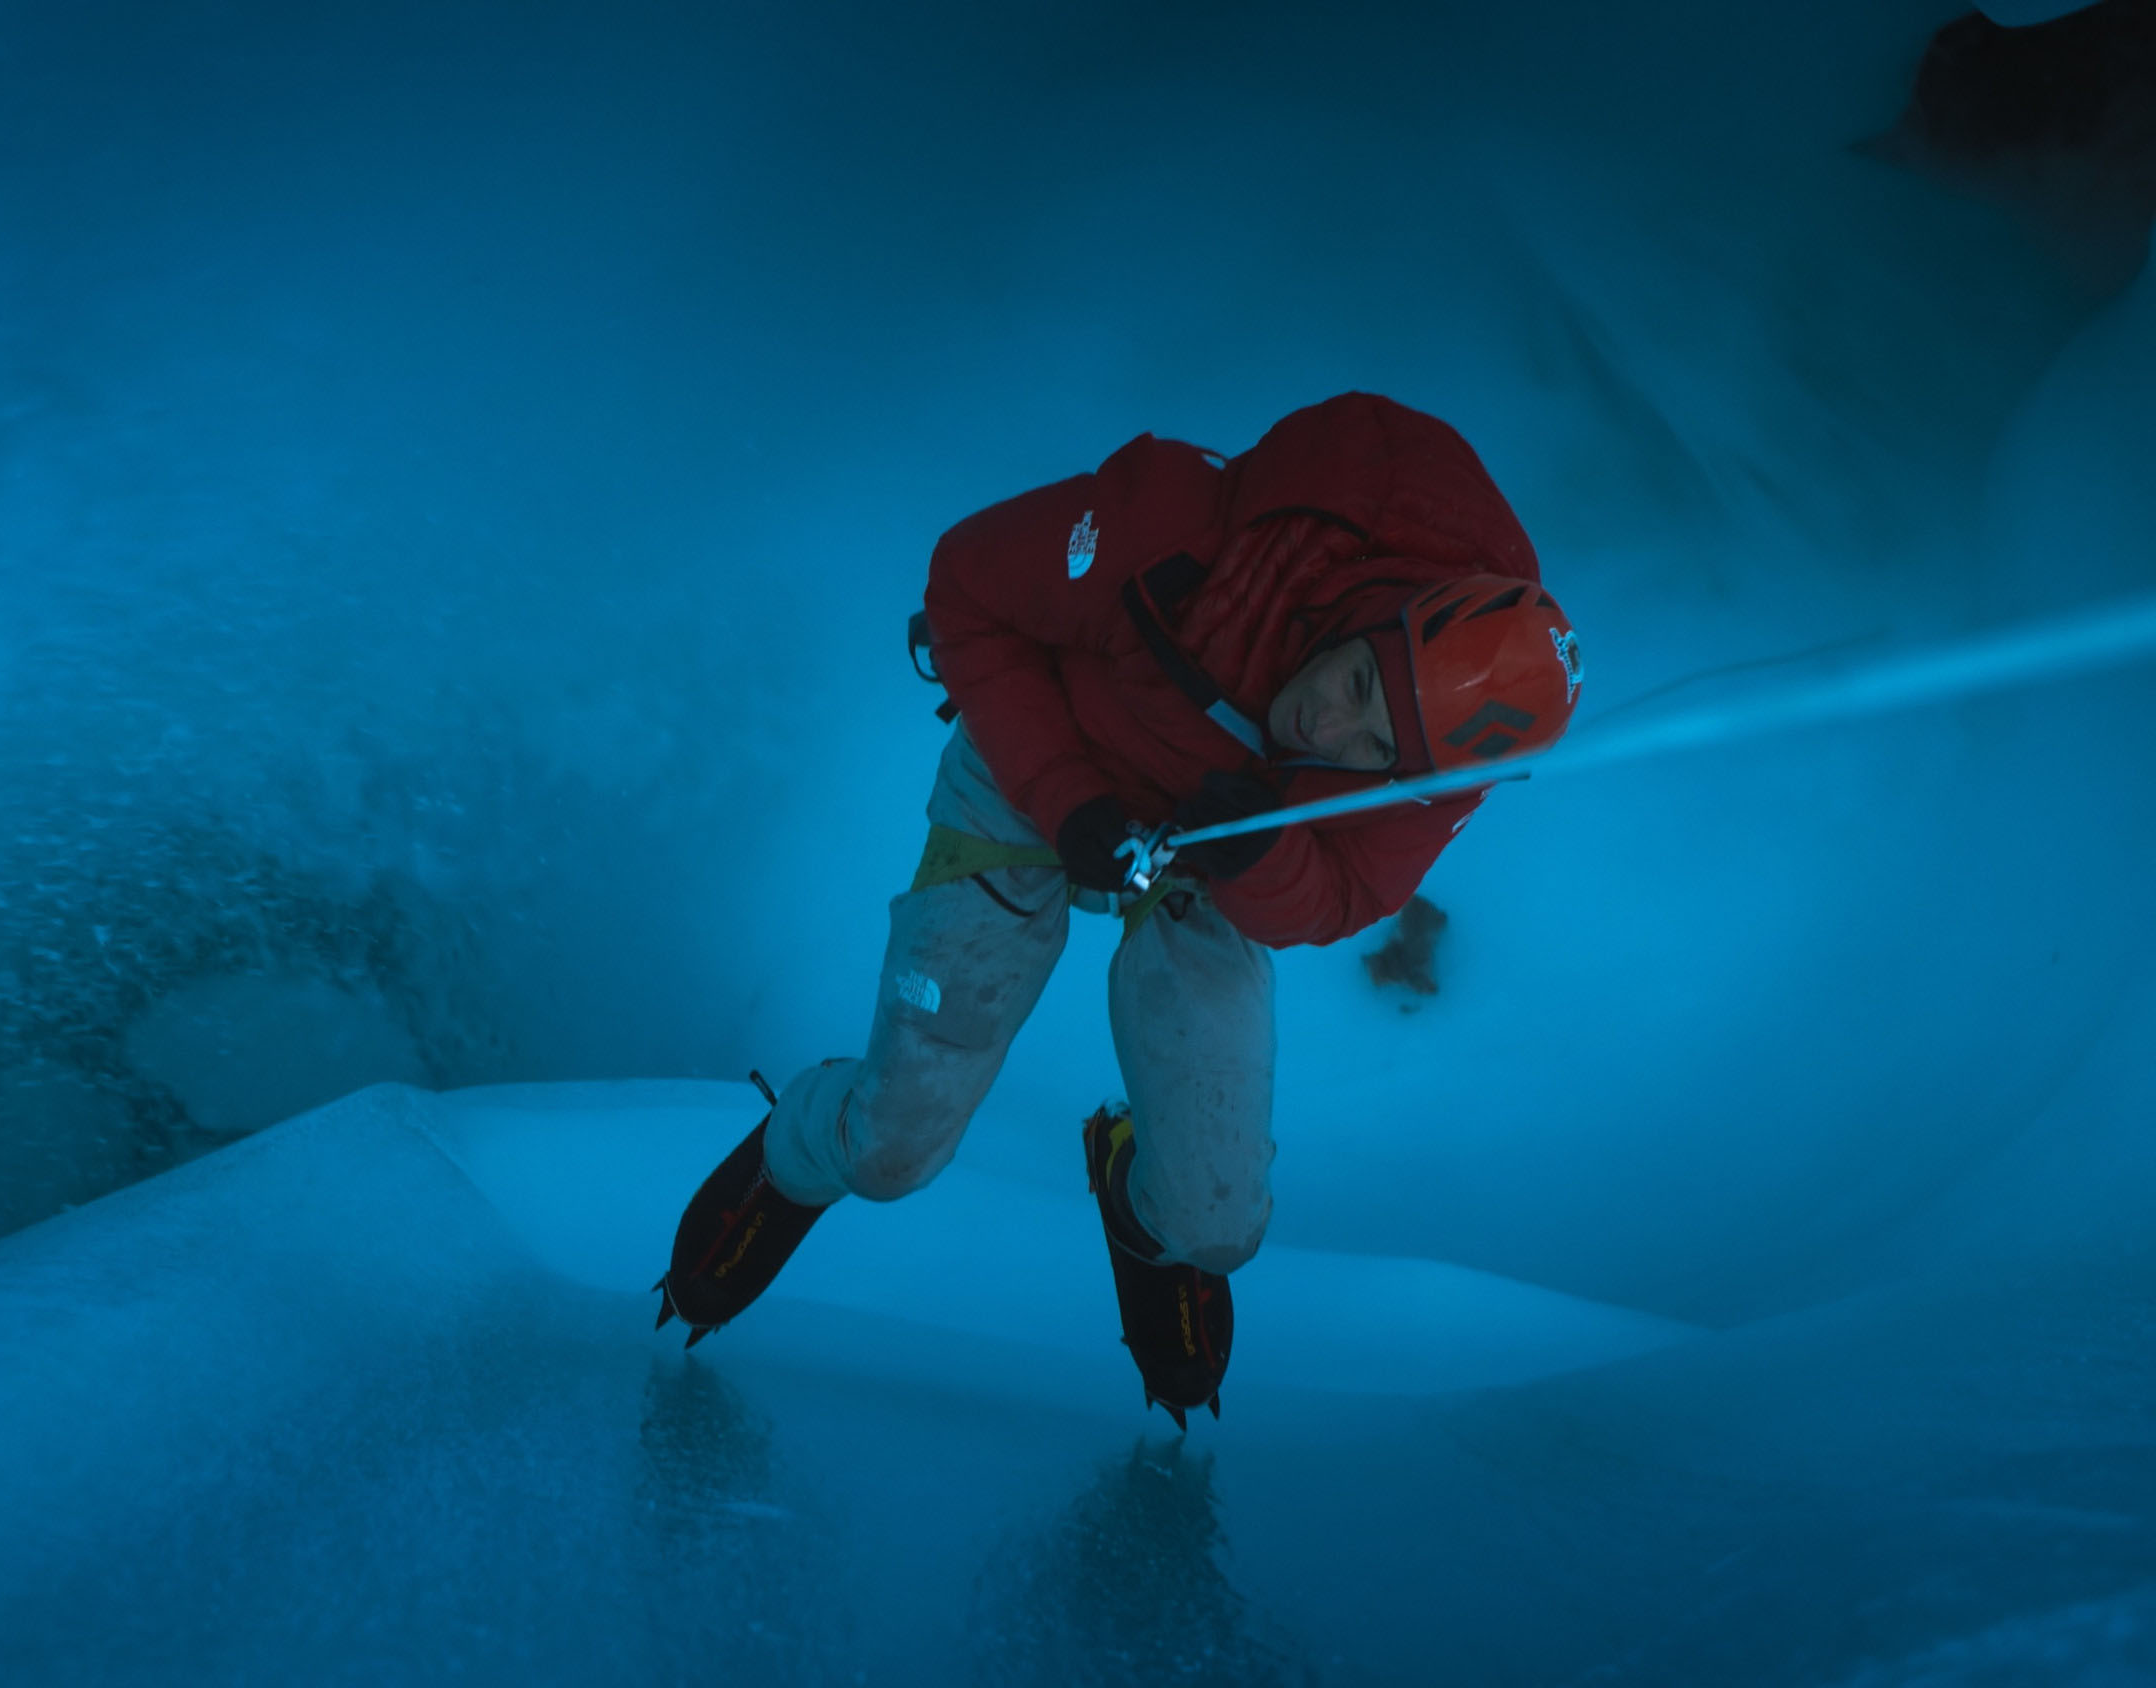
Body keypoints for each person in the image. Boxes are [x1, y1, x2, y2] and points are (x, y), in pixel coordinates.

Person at [654, 393, 1584, 1424]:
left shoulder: (1439, 771)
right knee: (892, 1149)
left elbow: (1346, 892)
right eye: (1359, 678)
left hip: (1210, 853)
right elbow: (966, 587)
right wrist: (1064, 794)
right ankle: (800, 1153)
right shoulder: (1181, 531)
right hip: (1032, 774)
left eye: (1374, 746)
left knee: (1219, 1222)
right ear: (1369, 612)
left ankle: (1143, 1202)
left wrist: (1260, 851)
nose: (1331, 721)